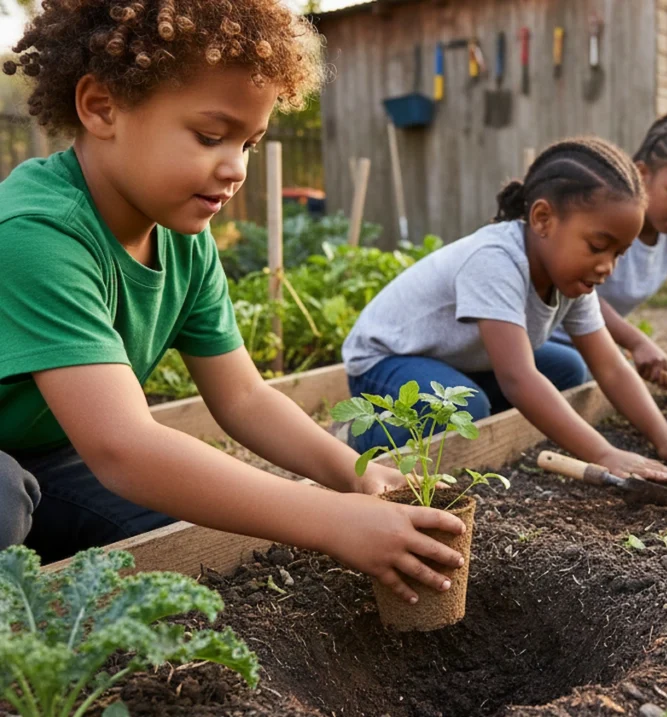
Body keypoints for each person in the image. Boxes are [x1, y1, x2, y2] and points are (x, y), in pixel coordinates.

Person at [0, 0, 464, 605]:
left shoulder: (182, 239)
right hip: (25, 463)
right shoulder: (37, 234)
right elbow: (123, 447)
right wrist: (331, 521)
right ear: (102, 107)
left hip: (51, 452)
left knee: (180, 529)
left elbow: (243, 397)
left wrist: (355, 475)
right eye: (211, 137)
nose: (236, 168)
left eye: (249, 143)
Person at [342, 137, 667, 481]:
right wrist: (603, 453)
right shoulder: (496, 259)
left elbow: (611, 366)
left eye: (618, 253)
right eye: (599, 247)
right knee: (466, 406)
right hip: (386, 359)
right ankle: (356, 438)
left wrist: (666, 439)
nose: (607, 266)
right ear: (543, 219)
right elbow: (518, 378)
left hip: (453, 360)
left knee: (569, 369)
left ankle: (481, 413)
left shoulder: (572, 279)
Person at [553, 114, 667, 399]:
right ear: (642, 174)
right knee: (585, 378)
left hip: (596, 344)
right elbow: (582, 294)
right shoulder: (607, 220)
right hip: (552, 336)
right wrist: (635, 341)